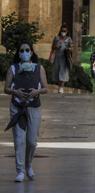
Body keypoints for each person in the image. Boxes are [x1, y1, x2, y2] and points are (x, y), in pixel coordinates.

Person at [4, 43, 48, 182]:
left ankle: (29, 164)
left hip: (34, 106)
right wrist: (15, 91)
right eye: (21, 50)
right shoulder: (13, 68)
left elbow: (45, 88)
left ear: (31, 52)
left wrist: (37, 91)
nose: (24, 52)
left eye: (27, 50)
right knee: (19, 139)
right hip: (17, 107)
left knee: (31, 141)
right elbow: (6, 88)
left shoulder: (39, 68)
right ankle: (20, 170)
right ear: (18, 53)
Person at [49, 24, 72, 94]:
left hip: (64, 58)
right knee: (57, 71)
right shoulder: (56, 38)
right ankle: (59, 85)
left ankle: (61, 87)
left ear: (67, 31)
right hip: (57, 57)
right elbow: (52, 48)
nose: (63, 32)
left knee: (63, 72)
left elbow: (72, 48)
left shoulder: (69, 39)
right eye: (62, 30)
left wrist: (69, 49)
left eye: (64, 31)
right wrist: (51, 56)